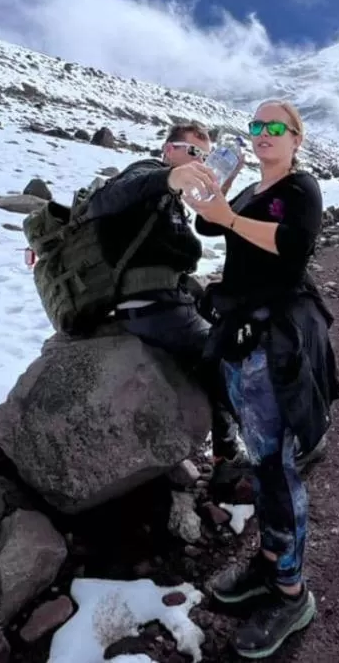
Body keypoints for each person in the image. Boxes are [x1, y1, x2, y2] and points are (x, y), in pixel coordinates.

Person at [185, 98, 339, 659]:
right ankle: (269, 562)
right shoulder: (251, 192)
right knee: (262, 462)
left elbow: (292, 248)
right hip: (240, 339)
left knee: (278, 469)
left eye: (276, 126)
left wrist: (227, 217)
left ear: (296, 138)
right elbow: (208, 222)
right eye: (256, 126)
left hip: (275, 344)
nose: (263, 133)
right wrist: (208, 189)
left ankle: (292, 592)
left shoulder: (301, 190)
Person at [87, 120, 244, 467]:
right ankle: (243, 449)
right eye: (192, 152)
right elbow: (101, 201)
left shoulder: (170, 199)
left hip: (167, 301)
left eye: (204, 155)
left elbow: (207, 227)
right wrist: (169, 178)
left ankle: (225, 449)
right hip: (149, 307)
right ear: (169, 150)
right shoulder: (147, 174)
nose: (198, 160)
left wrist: (220, 183)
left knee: (224, 335)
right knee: (224, 353)